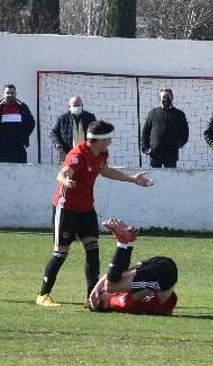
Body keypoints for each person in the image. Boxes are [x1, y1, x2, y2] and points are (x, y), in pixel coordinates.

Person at [37, 120, 153, 307]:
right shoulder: (78, 154)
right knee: (61, 253)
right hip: (66, 208)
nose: (110, 142)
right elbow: (62, 173)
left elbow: (105, 171)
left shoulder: (102, 153)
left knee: (93, 250)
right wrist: (65, 182)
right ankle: (43, 295)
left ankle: (91, 297)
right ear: (99, 140)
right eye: (108, 138)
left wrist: (132, 179)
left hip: (86, 209)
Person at [87, 219, 179, 316]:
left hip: (163, 273)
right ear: (104, 304)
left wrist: (95, 290)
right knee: (110, 286)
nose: (102, 291)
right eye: (101, 294)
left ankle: (127, 242)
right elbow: (137, 295)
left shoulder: (119, 292)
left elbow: (114, 275)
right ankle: (124, 243)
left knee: (114, 282)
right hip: (162, 274)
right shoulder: (115, 302)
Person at [141, 87, 189, 168]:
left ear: (172, 97)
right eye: (163, 97)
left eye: (168, 96)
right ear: (159, 99)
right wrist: (145, 148)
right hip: (154, 155)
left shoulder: (179, 114)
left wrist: (178, 144)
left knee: (171, 179)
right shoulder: (153, 113)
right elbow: (145, 132)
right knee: (154, 179)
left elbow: (185, 133)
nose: (166, 99)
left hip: (171, 155)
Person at [0, 83, 36, 164]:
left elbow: (31, 123)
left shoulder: (22, 106)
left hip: (19, 147)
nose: (10, 95)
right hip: (1, 148)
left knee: (21, 171)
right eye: (7, 93)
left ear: (15, 94)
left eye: (12, 93)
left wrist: (23, 138)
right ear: (3, 94)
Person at [50, 95, 96, 165]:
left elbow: (97, 133)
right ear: (69, 107)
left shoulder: (90, 118)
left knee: (85, 175)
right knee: (69, 175)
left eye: (79, 105)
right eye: (74, 106)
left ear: (82, 106)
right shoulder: (62, 119)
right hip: (68, 154)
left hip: (86, 154)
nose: (77, 107)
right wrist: (57, 144)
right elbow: (54, 133)